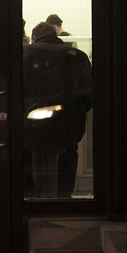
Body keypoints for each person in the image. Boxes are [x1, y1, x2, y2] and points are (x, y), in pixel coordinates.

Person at [21, 22, 93, 197]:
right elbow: (89, 97)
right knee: (69, 152)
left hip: (32, 122)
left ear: (34, 37)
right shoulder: (78, 55)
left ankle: (31, 196)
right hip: (68, 122)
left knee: (25, 151)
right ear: (55, 35)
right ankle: (64, 196)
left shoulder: (23, 54)